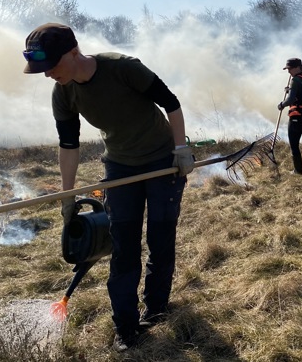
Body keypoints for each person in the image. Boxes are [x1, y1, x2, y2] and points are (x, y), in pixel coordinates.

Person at [22, 23, 194, 352]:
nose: (47, 75)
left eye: (52, 66)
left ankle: (156, 308)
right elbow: (68, 144)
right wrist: (67, 194)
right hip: (119, 167)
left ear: (74, 52)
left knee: (160, 239)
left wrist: (180, 149)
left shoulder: (123, 68)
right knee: (123, 246)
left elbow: (170, 103)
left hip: (162, 162)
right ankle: (126, 327)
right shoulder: (63, 92)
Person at [278, 58, 302, 179]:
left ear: (296, 68)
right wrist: (290, 91)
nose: (288, 71)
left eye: (289, 69)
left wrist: (281, 105)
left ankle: (298, 171)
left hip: (297, 118)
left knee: (294, 146)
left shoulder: (295, 80)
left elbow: (290, 100)